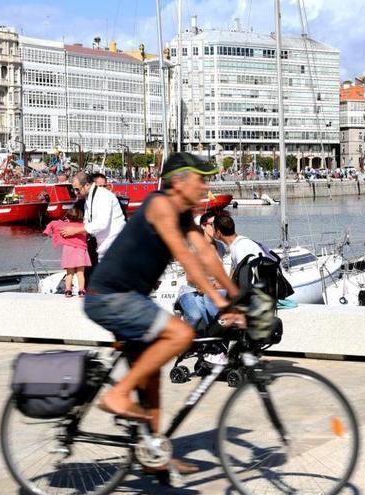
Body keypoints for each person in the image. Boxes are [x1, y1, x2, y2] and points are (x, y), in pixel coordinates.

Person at [84, 152, 244, 475]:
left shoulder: (184, 214)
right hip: (111, 297)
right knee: (181, 334)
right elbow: (186, 258)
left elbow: (207, 256)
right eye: (200, 180)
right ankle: (117, 394)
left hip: (126, 298)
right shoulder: (160, 206)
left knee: (152, 374)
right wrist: (220, 301)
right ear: (179, 181)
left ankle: (153, 454)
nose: (205, 187)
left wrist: (236, 294)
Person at [62, 172, 125, 263]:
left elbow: (102, 224)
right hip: (103, 249)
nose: (76, 193)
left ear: (87, 185)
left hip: (115, 249)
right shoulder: (89, 198)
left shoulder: (102, 196)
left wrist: (75, 230)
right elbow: (88, 221)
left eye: (77, 189)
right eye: (73, 190)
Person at [43, 207, 91, 297]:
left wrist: (47, 231)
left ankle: (68, 291)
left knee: (69, 273)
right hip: (80, 251)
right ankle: (81, 291)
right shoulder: (83, 227)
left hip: (68, 252)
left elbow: (52, 223)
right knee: (80, 273)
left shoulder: (63, 226)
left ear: (68, 218)